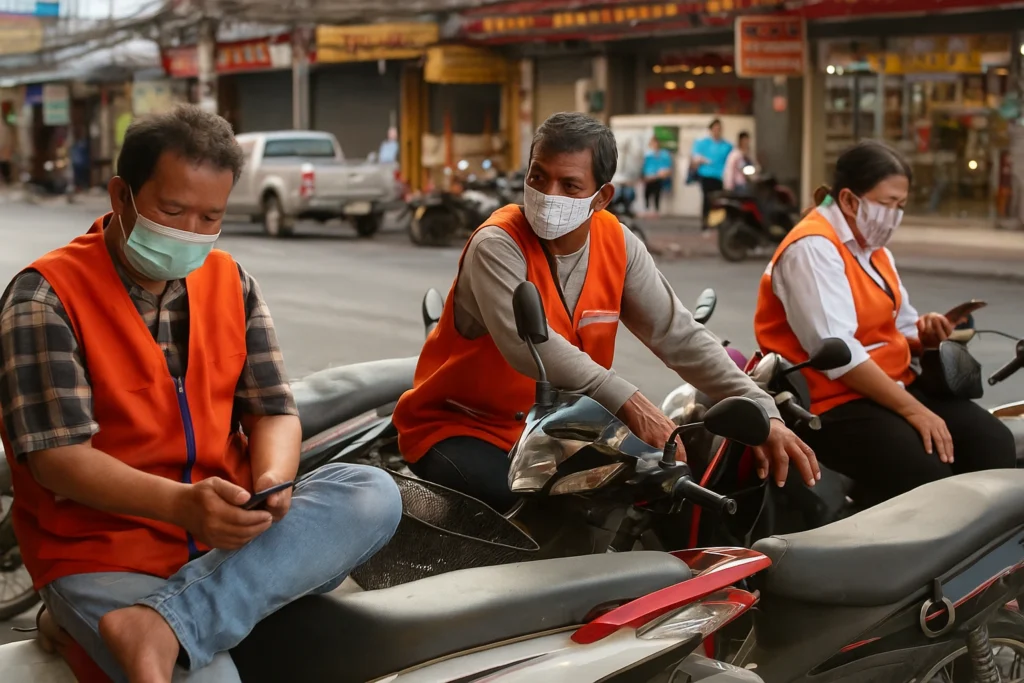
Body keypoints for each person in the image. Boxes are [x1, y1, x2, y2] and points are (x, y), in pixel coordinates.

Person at [0, 105, 402, 683]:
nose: (191, 232)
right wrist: (181, 506)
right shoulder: (46, 298)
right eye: (171, 211)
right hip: (103, 550)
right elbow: (56, 461)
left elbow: (274, 410)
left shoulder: (230, 281)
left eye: (209, 216)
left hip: (224, 537)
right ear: (121, 196)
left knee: (372, 493)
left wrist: (270, 481)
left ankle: (161, 625)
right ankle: (124, 617)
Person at [392, 112, 819, 514]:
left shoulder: (618, 244)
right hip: (462, 428)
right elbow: (529, 347)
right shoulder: (498, 244)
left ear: (602, 196)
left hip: (557, 433)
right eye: (538, 177)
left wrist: (761, 408)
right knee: (540, 515)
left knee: (652, 494)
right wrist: (631, 401)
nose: (548, 195)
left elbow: (678, 334)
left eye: (569, 185)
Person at [754, 140, 1014, 506]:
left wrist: (925, 333)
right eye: (886, 204)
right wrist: (914, 410)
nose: (893, 215)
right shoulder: (812, 249)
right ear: (848, 200)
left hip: (890, 384)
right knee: (930, 476)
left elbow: (900, 325)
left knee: (992, 443)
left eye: (901, 206)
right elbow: (839, 353)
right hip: (830, 404)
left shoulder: (872, 249)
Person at [690, 119, 732, 229]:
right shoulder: (702, 143)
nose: (717, 131)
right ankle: (705, 223)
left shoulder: (727, 146)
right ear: (710, 130)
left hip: (720, 177)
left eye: (719, 129)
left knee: (719, 202)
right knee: (707, 199)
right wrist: (701, 160)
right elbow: (695, 158)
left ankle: (717, 224)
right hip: (706, 176)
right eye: (715, 128)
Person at [641, 137, 672, 213]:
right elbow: (643, 166)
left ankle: (656, 210)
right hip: (648, 177)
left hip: (658, 177)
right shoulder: (647, 155)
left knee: (657, 193)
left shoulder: (664, 154)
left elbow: (667, 166)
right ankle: (647, 208)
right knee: (647, 193)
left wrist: (664, 172)